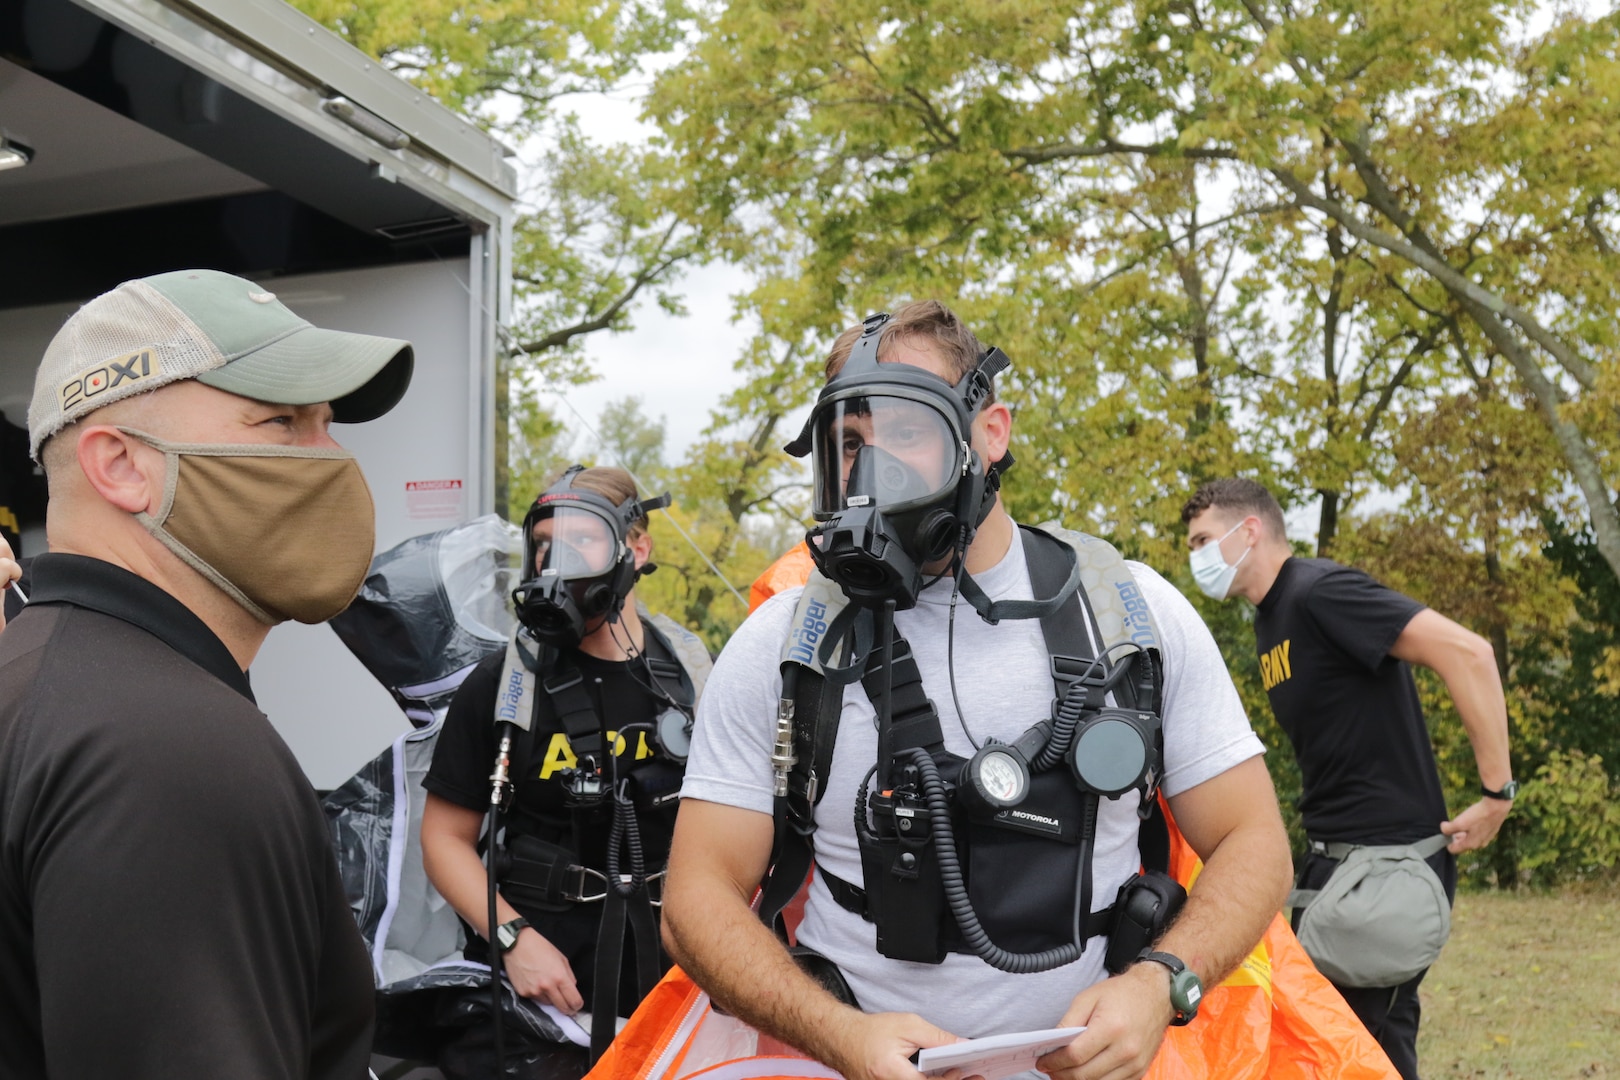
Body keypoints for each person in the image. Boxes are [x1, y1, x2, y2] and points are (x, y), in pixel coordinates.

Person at [661, 301, 1294, 1080]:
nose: (871, 472)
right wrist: (837, 1035)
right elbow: (694, 899)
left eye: (906, 433)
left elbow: (1255, 844)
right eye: (848, 444)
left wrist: (1160, 984)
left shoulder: (1132, 615)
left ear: (990, 433)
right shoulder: (783, 647)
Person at [0, 268, 415, 1079]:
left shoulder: (47, 678)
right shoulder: (165, 750)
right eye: (282, 422)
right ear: (120, 465)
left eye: (328, 424)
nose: (330, 459)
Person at [1180, 478, 1514, 1080]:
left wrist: (1497, 794)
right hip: (1328, 865)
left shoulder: (1319, 591)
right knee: (1328, 1050)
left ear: (1249, 530)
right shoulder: (1270, 621)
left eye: (1204, 539)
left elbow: (1468, 653)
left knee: (1365, 1052)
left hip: (1388, 866)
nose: (1195, 557)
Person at [421, 465, 713, 1078]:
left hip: (671, 987)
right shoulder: (501, 686)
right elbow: (444, 841)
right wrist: (513, 940)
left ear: (636, 548)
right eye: (545, 546)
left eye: (582, 543)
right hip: (537, 997)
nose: (557, 565)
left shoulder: (695, 677)